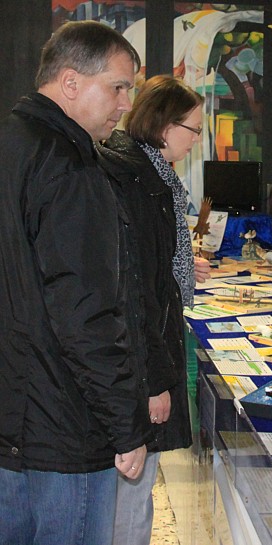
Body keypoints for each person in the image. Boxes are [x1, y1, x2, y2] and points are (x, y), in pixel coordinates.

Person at [0, 21, 150, 545]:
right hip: (65, 429)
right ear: (69, 83)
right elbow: (85, 313)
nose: (125, 103)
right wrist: (125, 425)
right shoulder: (69, 165)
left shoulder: (12, 143)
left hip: (14, 423)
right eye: (117, 87)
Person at [96, 75, 211, 545]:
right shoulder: (141, 184)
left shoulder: (150, 176)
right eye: (195, 129)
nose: (197, 139)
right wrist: (156, 383)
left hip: (137, 366)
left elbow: (155, 270)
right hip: (140, 372)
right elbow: (140, 298)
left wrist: (183, 263)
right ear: (166, 127)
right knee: (131, 497)